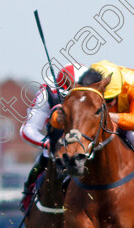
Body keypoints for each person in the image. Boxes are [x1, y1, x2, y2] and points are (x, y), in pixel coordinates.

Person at [54, 60, 134, 191]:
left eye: (110, 100)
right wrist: (57, 118)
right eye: (104, 101)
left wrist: (105, 115)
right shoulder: (88, 81)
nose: (108, 105)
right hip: (106, 113)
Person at [19, 63, 85, 211]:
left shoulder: (98, 92)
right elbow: (27, 130)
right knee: (39, 167)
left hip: (87, 148)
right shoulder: (46, 94)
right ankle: (28, 199)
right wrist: (48, 143)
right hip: (56, 151)